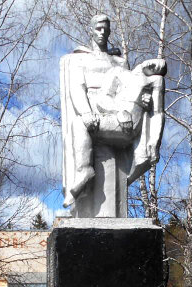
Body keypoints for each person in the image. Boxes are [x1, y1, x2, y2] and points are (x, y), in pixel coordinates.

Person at [60, 15, 165, 216]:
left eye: (105, 29)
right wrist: (86, 112)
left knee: (112, 166)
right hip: (92, 110)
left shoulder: (119, 62)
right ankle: (84, 175)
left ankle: (89, 179)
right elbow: (76, 88)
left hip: (117, 117)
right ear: (91, 30)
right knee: (83, 131)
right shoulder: (78, 59)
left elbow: (126, 88)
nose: (102, 33)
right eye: (98, 28)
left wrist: (143, 99)